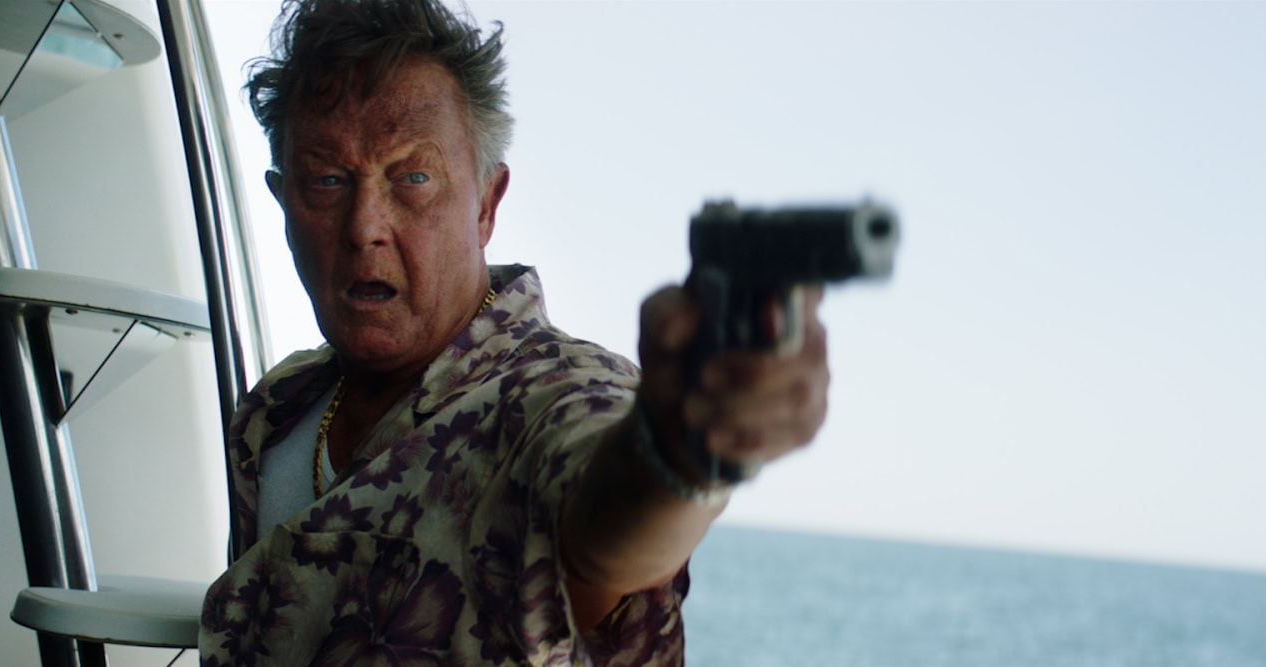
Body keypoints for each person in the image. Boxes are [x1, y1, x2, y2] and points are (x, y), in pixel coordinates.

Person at [198, 1, 831, 664]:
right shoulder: (277, 408)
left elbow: (605, 523)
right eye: (327, 180)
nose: (366, 227)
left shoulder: (553, 397)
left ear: (486, 205)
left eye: (413, 177)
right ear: (283, 202)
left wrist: (680, 454)